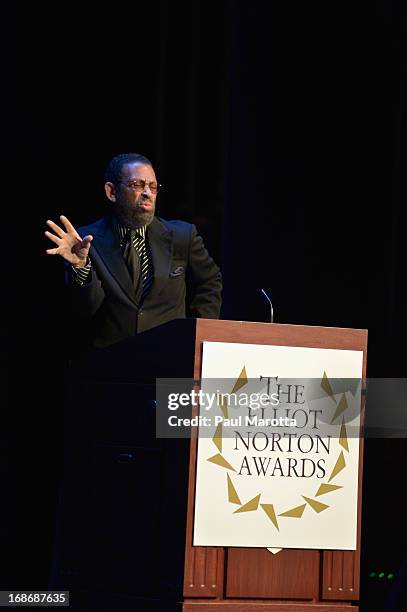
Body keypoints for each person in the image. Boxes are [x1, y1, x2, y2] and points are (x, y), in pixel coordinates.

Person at [45, 153, 222, 349]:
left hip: (169, 360)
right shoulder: (84, 242)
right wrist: (80, 265)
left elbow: (209, 282)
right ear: (111, 192)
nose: (147, 193)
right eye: (137, 185)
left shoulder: (182, 236)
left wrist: (198, 336)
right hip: (111, 365)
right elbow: (86, 310)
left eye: (153, 187)